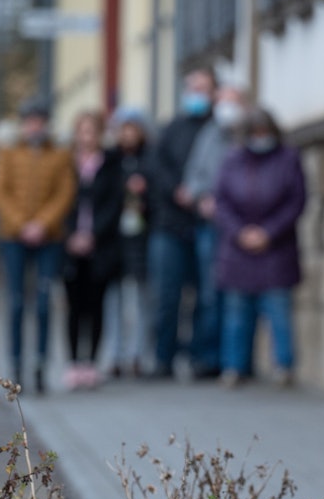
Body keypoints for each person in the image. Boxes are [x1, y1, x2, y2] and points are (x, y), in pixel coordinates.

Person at [214, 107, 307, 388]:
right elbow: (221, 201)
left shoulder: (288, 159)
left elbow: (296, 200)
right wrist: (239, 232)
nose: (259, 138)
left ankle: (284, 366)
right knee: (236, 314)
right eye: (254, 134)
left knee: (279, 310)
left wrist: (269, 232)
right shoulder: (233, 160)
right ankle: (235, 366)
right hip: (238, 248)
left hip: (276, 248)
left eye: (263, 133)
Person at [0, 97, 76, 394]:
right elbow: (0, 192)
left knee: (42, 302)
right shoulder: (10, 152)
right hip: (14, 237)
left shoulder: (60, 154)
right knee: (16, 302)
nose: (34, 126)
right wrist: (22, 224)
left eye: (39, 121)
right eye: (30, 121)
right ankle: (15, 364)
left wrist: (42, 223)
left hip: (48, 238)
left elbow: (65, 193)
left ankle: (40, 364)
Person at [146, 66, 217, 379]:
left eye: (202, 88)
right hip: (170, 224)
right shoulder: (172, 128)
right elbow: (157, 168)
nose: (196, 94)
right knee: (167, 295)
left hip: (204, 222)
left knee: (206, 295)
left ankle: (202, 359)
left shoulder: (218, 129)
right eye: (192, 87)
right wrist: (177, 190)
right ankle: (164, 358)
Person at [180, 81, 249, 378]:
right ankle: (209, 358)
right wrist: (201, 197)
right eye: (222, 100)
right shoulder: (208, 136)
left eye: (232, 100)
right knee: (210, 294)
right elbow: (193, 177)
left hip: (241, 227)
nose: (226, 106)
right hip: (211, 226)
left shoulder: (250, 136)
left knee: (240, 295)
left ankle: (237, 360)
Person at [62, 110, 123, 390]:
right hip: (70, 246)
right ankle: (73, 362)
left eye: (92, 131)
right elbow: (61, 202)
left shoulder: (111, 164)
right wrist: (70, 235)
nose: (87, 137)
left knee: (97, 305)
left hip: (101, 245)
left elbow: (114, 203)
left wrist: (93, 234)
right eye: (82, 131)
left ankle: (91, 364)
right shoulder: (65, 164)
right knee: (74, 306)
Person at [103, 106, 151, 378]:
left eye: (133, 129)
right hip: (114, 239)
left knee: (142, 298)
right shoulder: (110, 160)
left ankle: (138, 354)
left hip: (141, 238)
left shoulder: (150, 159)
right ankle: (115, 354)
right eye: (124, 129)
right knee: (114, 299)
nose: (128, 134)